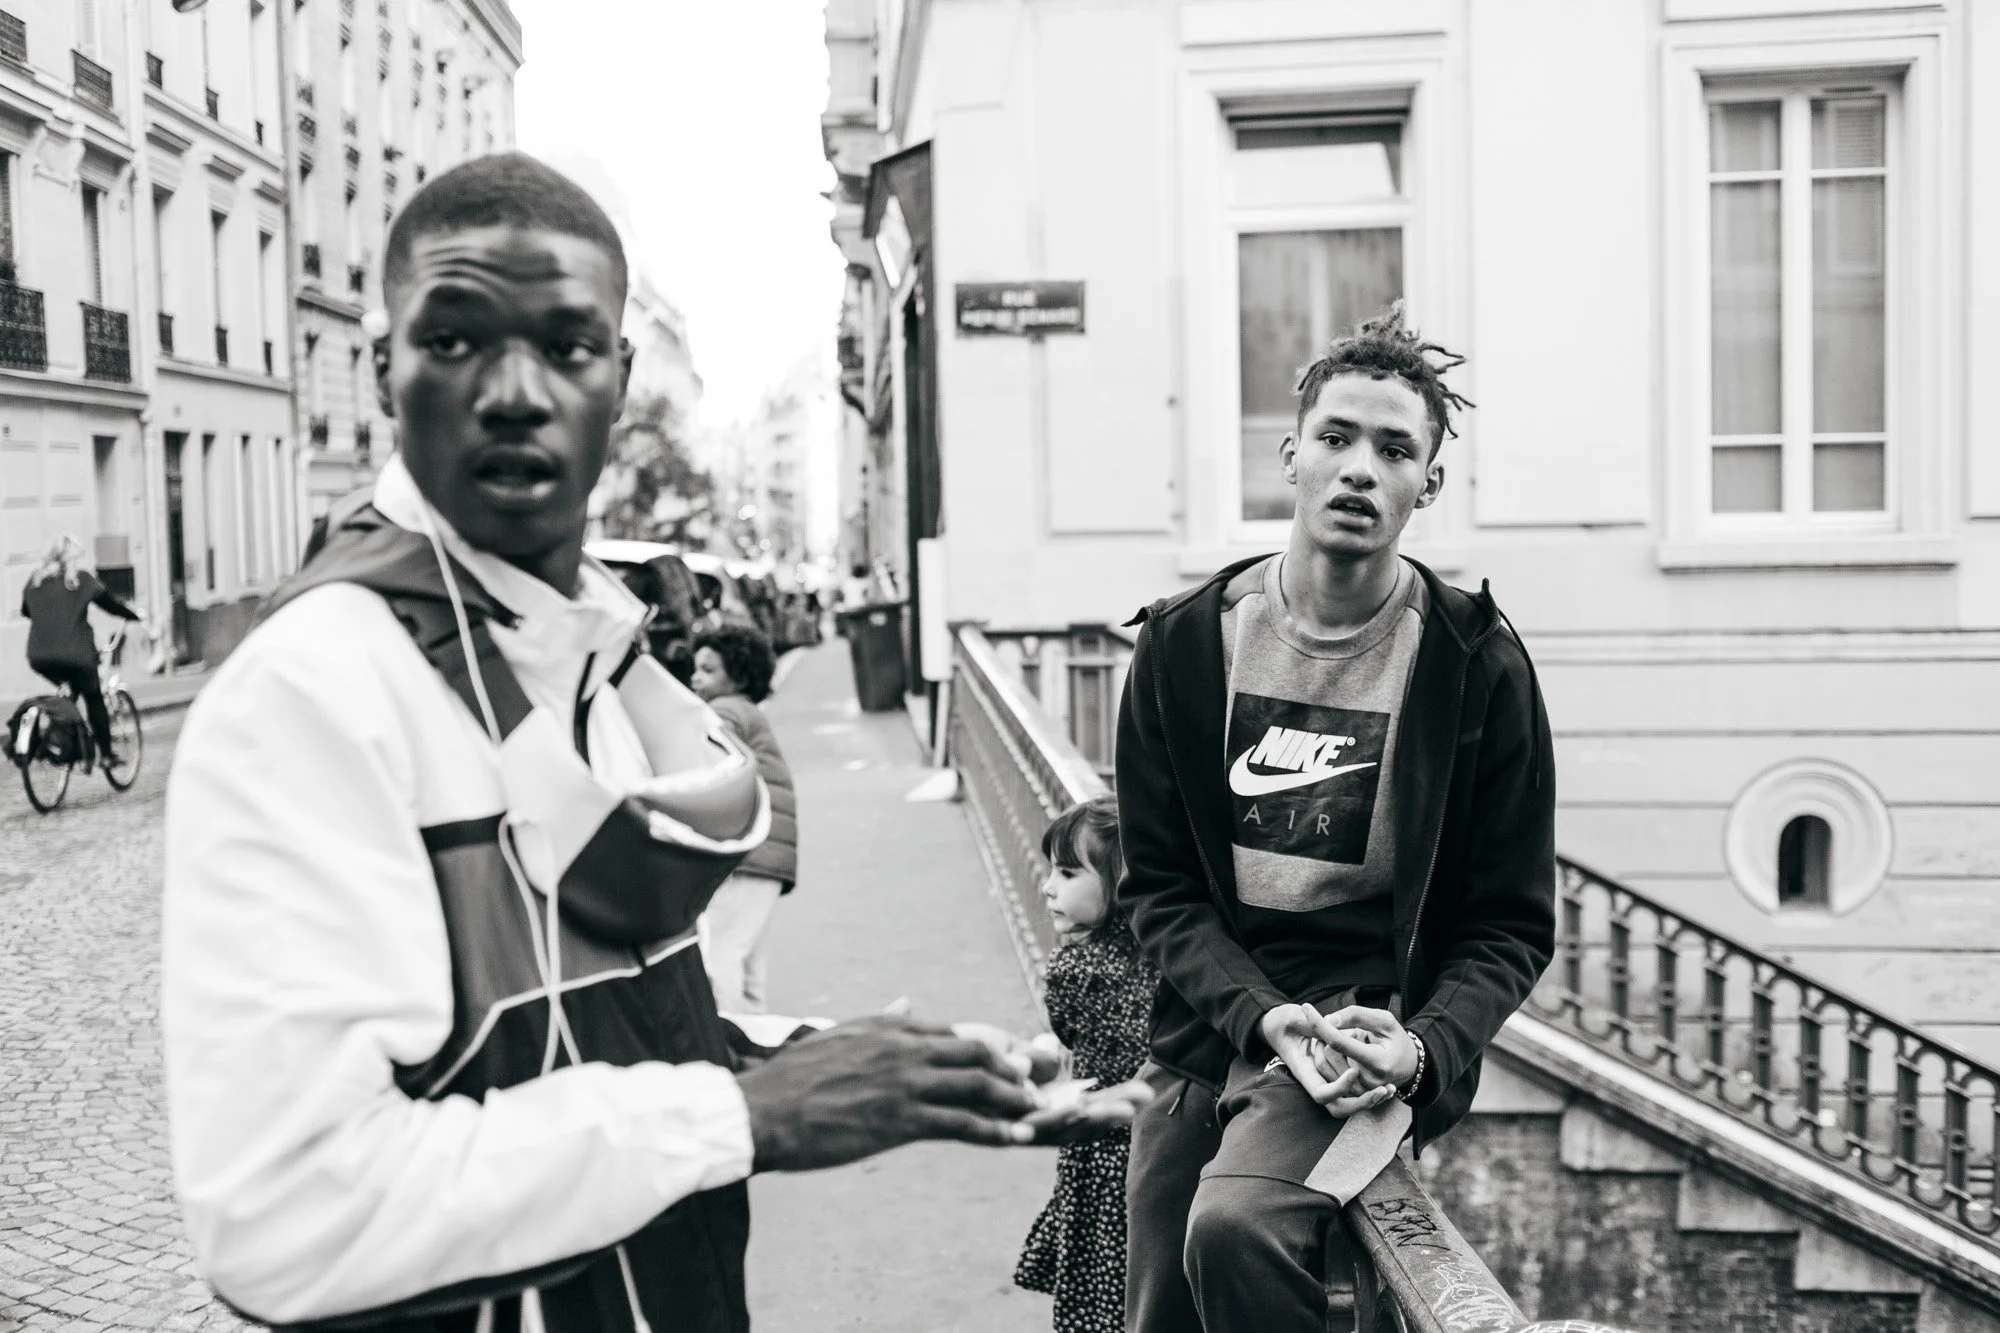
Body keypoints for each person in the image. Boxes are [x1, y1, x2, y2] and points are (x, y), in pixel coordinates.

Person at [161, 151, 1142, 1333]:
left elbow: (591, 1021)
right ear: (381, 366)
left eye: (568, 346)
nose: (515, 389)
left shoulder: (586, 664)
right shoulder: (313, 690)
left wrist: (882, 1069)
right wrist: (752, 1116)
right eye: (458, 337)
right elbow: (281, 1217)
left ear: (619, 378)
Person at [1116, 304, 1556, 1333]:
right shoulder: (1184, 646)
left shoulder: (1472, 664)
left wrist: (1419, 1050)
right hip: (1210, 1017)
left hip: (1360, 1023)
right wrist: (1254, 1013)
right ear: (1291, 456)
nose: (1360, 466)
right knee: (1156, 1305)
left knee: (1235, 1227)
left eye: (1394, 448)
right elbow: (1160, 887)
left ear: (1426, 485)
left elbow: (1509, 921)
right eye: (1336, 437)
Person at [1015, 794, 1159, 1333]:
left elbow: (1067, 1033)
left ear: (1121, 883)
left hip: (1099, 1138)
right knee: (1143, 1274)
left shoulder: (1073, 967)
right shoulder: (1169, 959)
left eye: (1068, 873)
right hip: (1157, 1142)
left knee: (1097, 1270)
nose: (1049, 887)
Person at [689, 623, 797, 1014]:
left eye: (709, 669)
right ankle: (755, 1034)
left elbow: (711, 759)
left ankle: (728, 1041)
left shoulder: (724, 711)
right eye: (696, 667)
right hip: (771, 854)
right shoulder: (750, 712)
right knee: (749, 960)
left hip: (747, 851)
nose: (695, 677)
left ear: (738, 675)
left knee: (721, 953)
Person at [20, 534, 140, 762]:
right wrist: (134, 616)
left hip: (39, 656)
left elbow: (26, 612)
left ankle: (61, 739)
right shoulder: (81, 581)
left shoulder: (34, 581)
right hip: (77, 655)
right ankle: (106, 755)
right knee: (93, 696)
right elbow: (111, 605)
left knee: (69, 691)